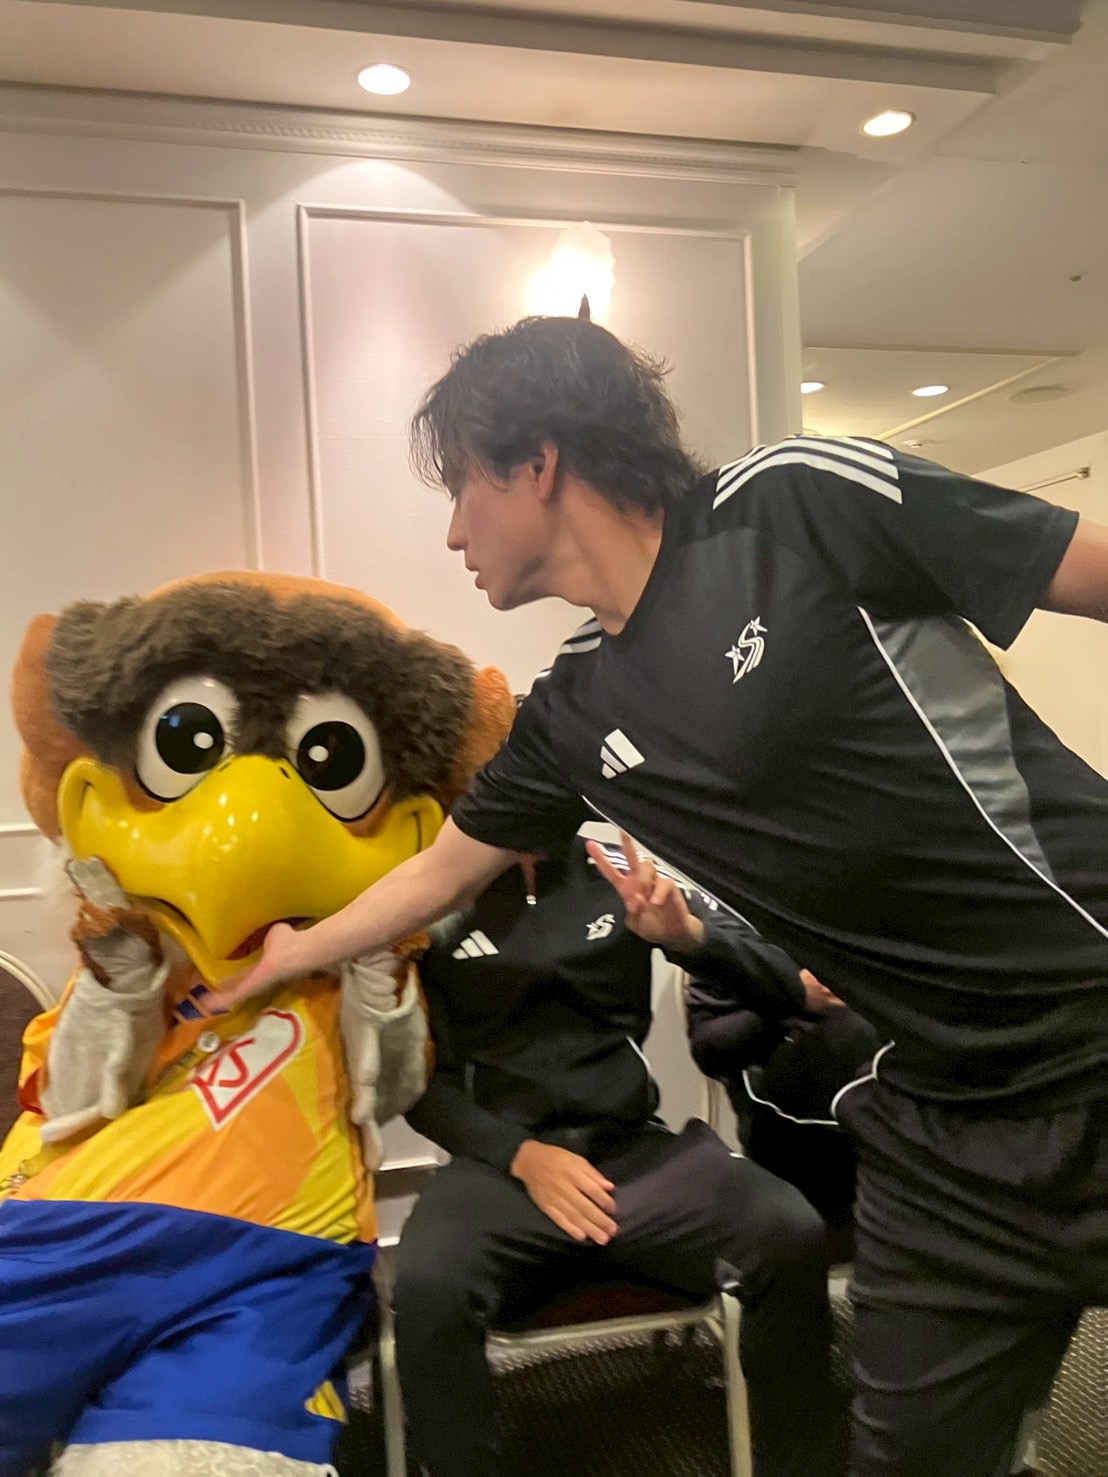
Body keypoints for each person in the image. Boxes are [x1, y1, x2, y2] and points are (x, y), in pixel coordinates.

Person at [226, 315, 1108, 1477]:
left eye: (462, 488)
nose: (453, 532)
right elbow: (437, 873)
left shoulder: (790, 503)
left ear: (537, 461)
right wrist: (289, 955)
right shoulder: (573, 710)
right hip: (946, 1122)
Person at [394, 835, 843, 1477]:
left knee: (788, 1230)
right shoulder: (431, 891)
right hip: (503, 1168)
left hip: (633, 1151)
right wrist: (519, 1155)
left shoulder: (616, 867)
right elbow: (413, 1085)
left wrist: (686, 936)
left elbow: (782, 987)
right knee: (427, 1289)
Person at [684, 958, 879, 1263]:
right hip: (791, 1144)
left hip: (903, 1136)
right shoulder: (732, 939)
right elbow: (710, 1050)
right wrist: (795, 996)